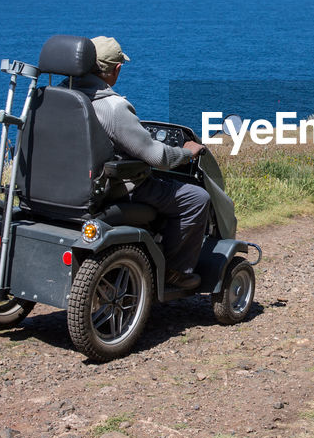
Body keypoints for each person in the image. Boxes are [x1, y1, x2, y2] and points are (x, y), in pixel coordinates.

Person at [69, 35, 209, 292]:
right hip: (110, 190)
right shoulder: (112, 108)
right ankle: (174, 273)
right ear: (116, 69)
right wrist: (187, 152)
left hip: (59, 187)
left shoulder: (52, 97)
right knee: (195, 198)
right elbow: (159, 158)